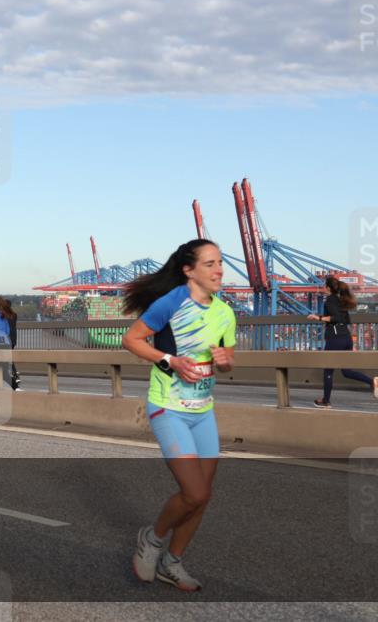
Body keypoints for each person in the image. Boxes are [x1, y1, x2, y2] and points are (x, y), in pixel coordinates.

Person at [121, 239, 236, 592]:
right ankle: (152, 540)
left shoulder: (225, 312)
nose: (218, 270)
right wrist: (169, 360)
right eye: (210, 264)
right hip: (168, 407)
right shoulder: (171, 303)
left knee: (202, 495)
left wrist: (224, 362)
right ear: (189, 270)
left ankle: (172, 562)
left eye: (220, 263)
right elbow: (132, 339)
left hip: (203, 411)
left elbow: (227, 363)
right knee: (195, 492)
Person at [308, 275, 378, 407]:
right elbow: (346, 320)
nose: (324, 288)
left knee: (328, 369)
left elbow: (335, 318)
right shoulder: (340, 300)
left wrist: (318, 318)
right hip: (346, 338)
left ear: (329, 288)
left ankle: (326, 401)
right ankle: (372, 382)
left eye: (325, 286)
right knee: (346, 371)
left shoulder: (330, 300)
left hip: (335, 339)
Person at [0, 297, 22, 391]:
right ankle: (15, 375)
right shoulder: (14, 315)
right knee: (10, 357)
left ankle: (14, 376)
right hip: (13, 339)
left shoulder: (2, 316)